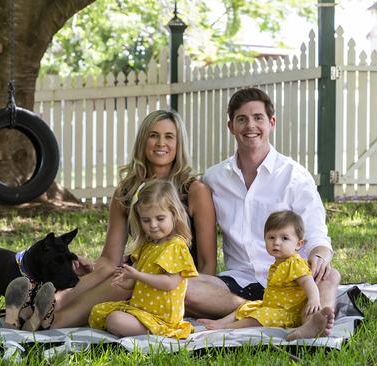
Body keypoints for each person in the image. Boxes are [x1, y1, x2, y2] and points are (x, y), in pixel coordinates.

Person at [5, 110, 216, 330]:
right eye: (153, 135)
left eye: (169, 136)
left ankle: (54, 320)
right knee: (112, 275)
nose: (160, 143)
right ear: (143, 140)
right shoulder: (127, 192)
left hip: (179, 283)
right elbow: (109, 260)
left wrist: (188, 296)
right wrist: (93, 271)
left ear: (179, 143)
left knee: (121, 284)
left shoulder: (194, 191)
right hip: (139, 275)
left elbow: (208, 264)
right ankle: (47, 305)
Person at [185, 87, 339, 340]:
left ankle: (311, 320)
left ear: (272, 123)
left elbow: (317, 234)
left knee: (329, 275)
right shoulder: (214, 179)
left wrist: (319, 255)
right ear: (231, 126)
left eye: (258, 118)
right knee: (185, 287)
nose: (250, 125)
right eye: (242, 119)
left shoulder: (294, 175)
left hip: (290, 282)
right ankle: (271, 312)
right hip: (238, 283)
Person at [89, 180, 198, 338]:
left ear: (174, 215)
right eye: (146, 220)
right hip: (141, 310)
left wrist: (137, 275)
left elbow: (170, 283)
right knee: (97, 310)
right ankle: (134, 327)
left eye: (160, 218)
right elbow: (137, 282)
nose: (153, 225)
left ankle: (159, 331)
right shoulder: (147, 245)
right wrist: (128, 282)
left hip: (162, 318)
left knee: (115, 320)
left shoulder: (175, 246)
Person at [198, 210, 322, 331]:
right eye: (271, 237)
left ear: (299, 244)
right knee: (246, 307)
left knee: (260, 316)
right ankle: (219, 322)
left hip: (287, 313)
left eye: (284, 238)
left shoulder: (295, 263)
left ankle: (226, 327)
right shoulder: (278, 264)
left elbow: (308, 282)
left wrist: (313, 299)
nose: (276, 243)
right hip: (271, 306)